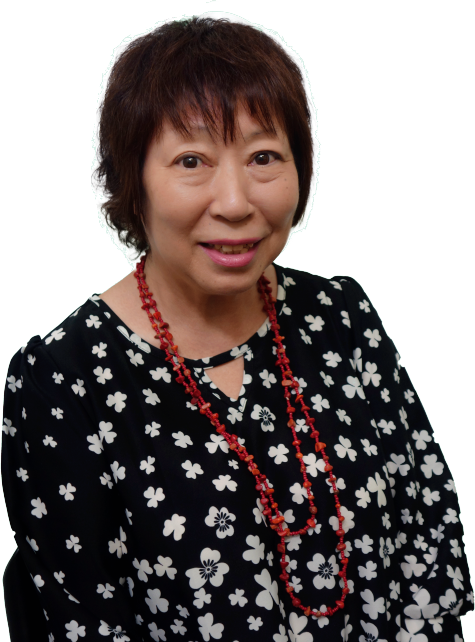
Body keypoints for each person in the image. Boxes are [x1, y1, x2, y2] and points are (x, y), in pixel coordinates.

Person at [1, 15, 473, 642]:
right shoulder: (64, 382)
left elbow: (425, 544)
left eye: (263, 157)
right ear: (133, 180)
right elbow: (82, 619)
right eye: (191, 160)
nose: (234, 202)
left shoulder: (341, 318)